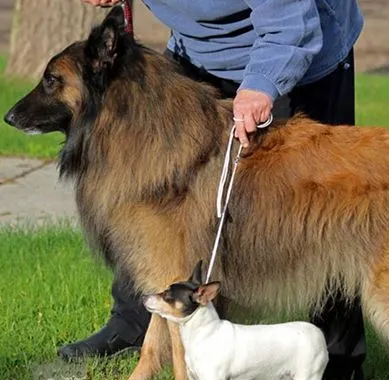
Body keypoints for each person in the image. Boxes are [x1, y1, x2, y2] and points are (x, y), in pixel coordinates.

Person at [62, 1, 366, 379]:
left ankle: (339, 359)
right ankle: (136, 324)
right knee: (160, 209)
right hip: (199, 53)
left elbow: (291, 24)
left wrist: (262, 85)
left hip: (296, 49)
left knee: (319, 215)